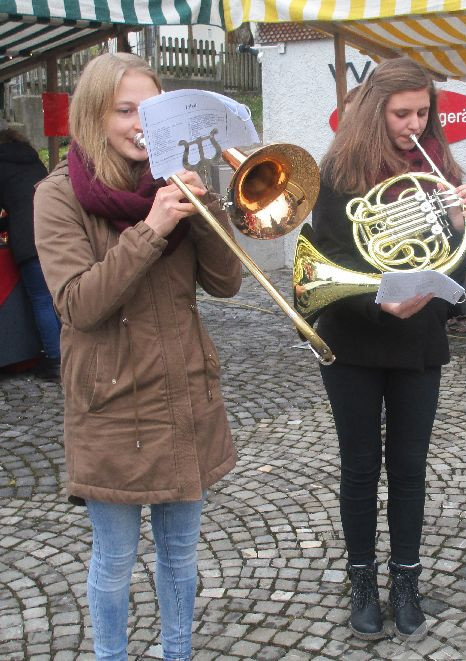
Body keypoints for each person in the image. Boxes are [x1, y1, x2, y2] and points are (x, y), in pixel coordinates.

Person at [33, 53, 242, 660]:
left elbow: (227, 283)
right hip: (112, 403)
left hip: (183, 393)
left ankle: (177, 653)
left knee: (180, 554)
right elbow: (79, 305)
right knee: (114, 559)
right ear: (93, 116)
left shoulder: (170, 184)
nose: (139, 125)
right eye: (124, 110)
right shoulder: (58, 195)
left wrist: (206, 212)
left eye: (149, 111)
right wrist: (152, 228)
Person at [312, 57, 466, 640]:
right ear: (374, 112)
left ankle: (406, 580)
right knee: (359, 468)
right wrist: (376, 304)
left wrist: (458, 223)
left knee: (409, 469)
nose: (414, 125)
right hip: (354, 340)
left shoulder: (440, 169)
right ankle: (362, 581)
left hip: (417, 341)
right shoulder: (337, 174)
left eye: (423, 113)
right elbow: (328, 264)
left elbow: (456, 268)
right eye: (401, 113)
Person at [0, 123, 62, 378]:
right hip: (54, 229)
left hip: (27, 238)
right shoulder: (32, 159)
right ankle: (69, 353)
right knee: (57, 296)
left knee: (41, 299)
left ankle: (55, 359)